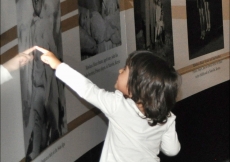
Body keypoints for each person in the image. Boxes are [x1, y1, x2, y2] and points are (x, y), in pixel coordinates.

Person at [36, 46, 181, 162]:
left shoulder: (117, 106)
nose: (120, 70)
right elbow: (172, 150)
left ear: (135, 89)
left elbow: (87, 89)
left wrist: (58, 65)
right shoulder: (166, 117)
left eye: (124, 70)